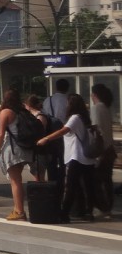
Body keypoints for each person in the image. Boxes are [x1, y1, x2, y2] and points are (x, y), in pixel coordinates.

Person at [37, 93, 96, 223]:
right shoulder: (85, 118)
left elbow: (63, 131)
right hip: (87, 158)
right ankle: (87, 212)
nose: (66, 105)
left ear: (71, 105)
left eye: (68, 103)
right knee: (87, 187)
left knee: (70, 186)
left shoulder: (74, 118)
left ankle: (64, 214)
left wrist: (46, 138)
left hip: (76, 157)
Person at [0, 89, 34, 221]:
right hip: (24, 148)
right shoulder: (22, 111)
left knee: (15, 181)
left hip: (13, 149)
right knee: (17, 180)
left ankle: (20, 211)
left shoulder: (5, 112)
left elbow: (1, 134)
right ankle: (17, 208)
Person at [90, 84, 115, 218]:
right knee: (107, 181)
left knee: (96, 181)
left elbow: (96, 130)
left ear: (94, 95)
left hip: (101, 151)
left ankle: (102, 207)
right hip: (110, 150)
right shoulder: (106, 107)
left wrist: (97, 153)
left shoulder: (96, 108)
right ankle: (108, 207)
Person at [43, 78, 71, 188]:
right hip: (65, 134)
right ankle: (63, 182)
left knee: (51, 161)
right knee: (64, 160)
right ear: (67, 88)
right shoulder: (68, 100)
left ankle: (52, 184)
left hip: (50, 133)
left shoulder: (47, 100)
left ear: (56, 87)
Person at [25, 95, 53, 182]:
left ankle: (41, 189)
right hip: (36, 149)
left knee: (39, 175)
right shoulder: (33, 116)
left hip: (40, 149)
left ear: (28, 105)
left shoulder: (40, 116)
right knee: (37, 174)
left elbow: (40, 132)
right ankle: (40, 188)